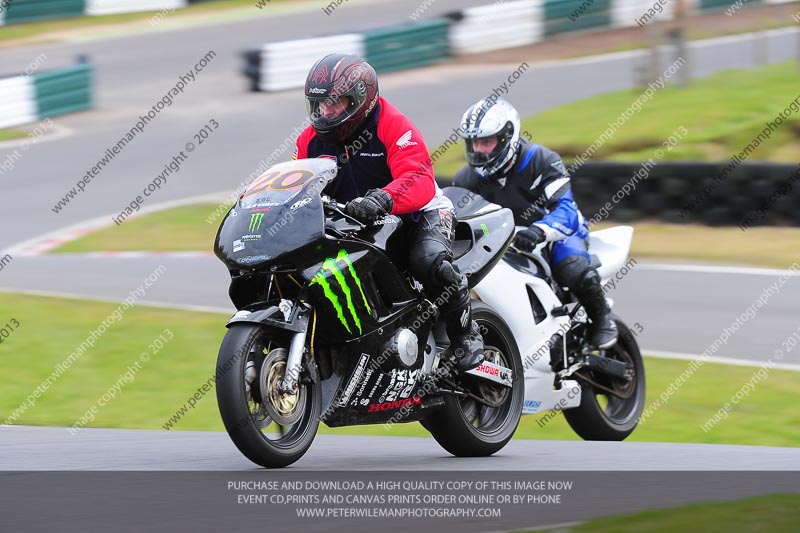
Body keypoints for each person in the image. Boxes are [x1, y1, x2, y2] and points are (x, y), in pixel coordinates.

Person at [293, 53, 484, 371]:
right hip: (355, 220)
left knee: (429, 261)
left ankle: (467, 335)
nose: (326, 111)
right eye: (320, 104)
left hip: (418, 214)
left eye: (335, 103)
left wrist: (383, 199)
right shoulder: (310, 140)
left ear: (360, 100)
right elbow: (294, 181)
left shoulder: (393, 125)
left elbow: (418, 178)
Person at [454, 98, 618, 349]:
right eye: (474, 142)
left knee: (572, 267)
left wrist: (539, 230)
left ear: (507, 137)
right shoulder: (466, 178)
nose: (478, 150)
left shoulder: (541, 160)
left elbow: (566, 210)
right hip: (501, 244)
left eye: (486, 142)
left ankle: (602, 319)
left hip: (556, 234)